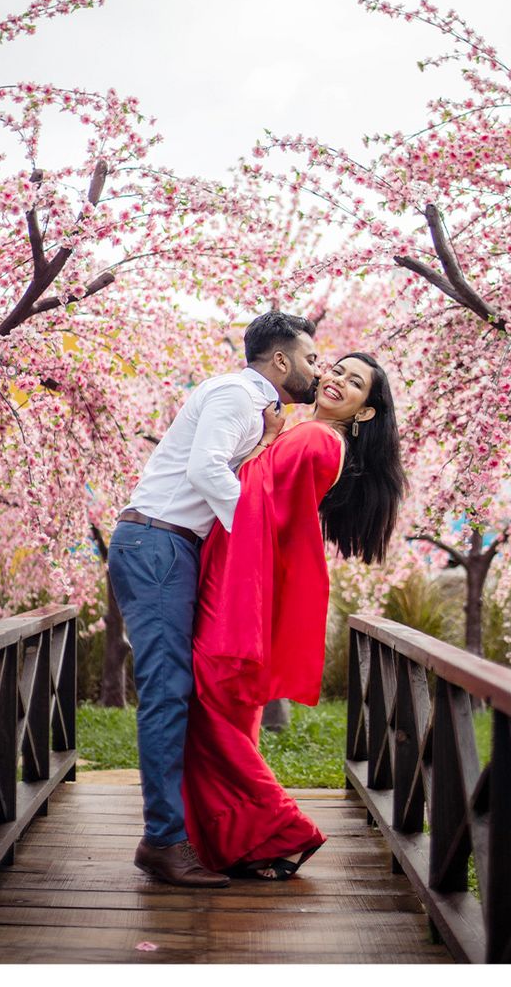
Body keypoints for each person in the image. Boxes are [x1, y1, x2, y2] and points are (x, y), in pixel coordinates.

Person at [107, 312, 321, 887]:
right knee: (167, 693)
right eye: (311, 359)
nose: (315, 371)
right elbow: (205, 470)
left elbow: (225, 466)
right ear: (280, 361)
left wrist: (269, 442)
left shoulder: (253, 410)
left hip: (170, 548)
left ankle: (179, 833)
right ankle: (162, 841)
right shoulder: (234, 394)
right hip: (157, 544)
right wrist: (260, 536)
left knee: (179, 692)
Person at [181, 352, 406, 880]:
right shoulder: (311, 435)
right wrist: (268, 439)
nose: (338, 382)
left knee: (213, 706)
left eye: (356, 384)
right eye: (338, 370)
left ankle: (282, 831)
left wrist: (264, 442)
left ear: (365, 411)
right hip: (243, 572)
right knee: (228, 710)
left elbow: (259, 501)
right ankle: (242, 844)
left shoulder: (318, 439)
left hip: (241, 579)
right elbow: (263, 488)